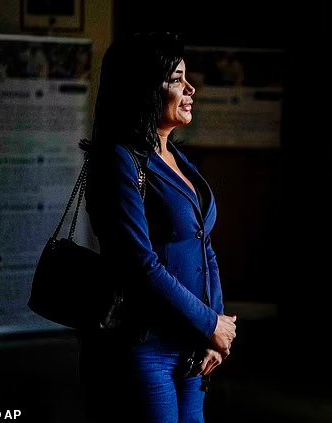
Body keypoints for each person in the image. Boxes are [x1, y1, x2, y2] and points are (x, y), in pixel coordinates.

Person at [78, 32, 237, 423]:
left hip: (193, 345)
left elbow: (205, 245)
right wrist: (210, 323)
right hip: (145, 347)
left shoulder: (176, 157)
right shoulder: (119, 159)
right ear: (145, 88)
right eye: (177, 79)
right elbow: (139, 264)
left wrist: (213, 328)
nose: (191, 89)